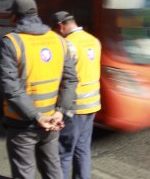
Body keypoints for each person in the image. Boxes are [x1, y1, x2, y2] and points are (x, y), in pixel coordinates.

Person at [0, 0, 78, 179]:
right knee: (53, 171)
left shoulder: (11, 42)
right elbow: (71, 80)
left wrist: (36, 116)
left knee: (24, 173)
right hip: (52, 121)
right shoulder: (58, 40)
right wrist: (60, 112)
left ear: (15, 17)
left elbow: (10, 88)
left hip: (22, 123)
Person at [51, 11, 102, 179]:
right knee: (83, 150)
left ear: (61, 26)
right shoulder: (94, 41)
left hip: (74, 108)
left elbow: (62, 77)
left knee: (64, 153)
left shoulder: (68, 44)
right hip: (93, 105)